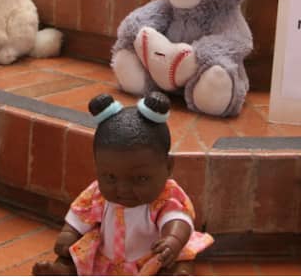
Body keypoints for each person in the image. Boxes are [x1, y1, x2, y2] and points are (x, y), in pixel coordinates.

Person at [33, 92, 213, 275]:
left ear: (168, 167)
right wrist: (69, 234)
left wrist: (173, 239)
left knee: (179, 260)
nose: (123, 189)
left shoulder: (166, 196)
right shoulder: (98, 193)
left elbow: (177, 219)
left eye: (140, 179)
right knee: (75, 252)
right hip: (106, 259)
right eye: (110, 177)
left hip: (151, 260)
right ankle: (63, 270)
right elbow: (81, 214)